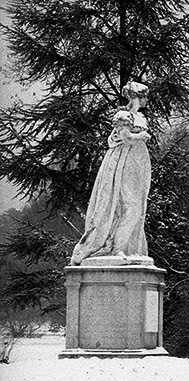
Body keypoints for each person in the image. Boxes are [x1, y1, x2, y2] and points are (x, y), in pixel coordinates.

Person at [71, 81, 152, 266]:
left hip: (138, 163)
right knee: (128, 205)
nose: (147, 99)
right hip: (123, 162)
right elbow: (123, 138)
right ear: (135, 96)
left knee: (137, 206)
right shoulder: (123, 115)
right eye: (144, 96)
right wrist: (140, 136)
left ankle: (127, 247)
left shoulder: (141, 117)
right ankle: (117, 248)